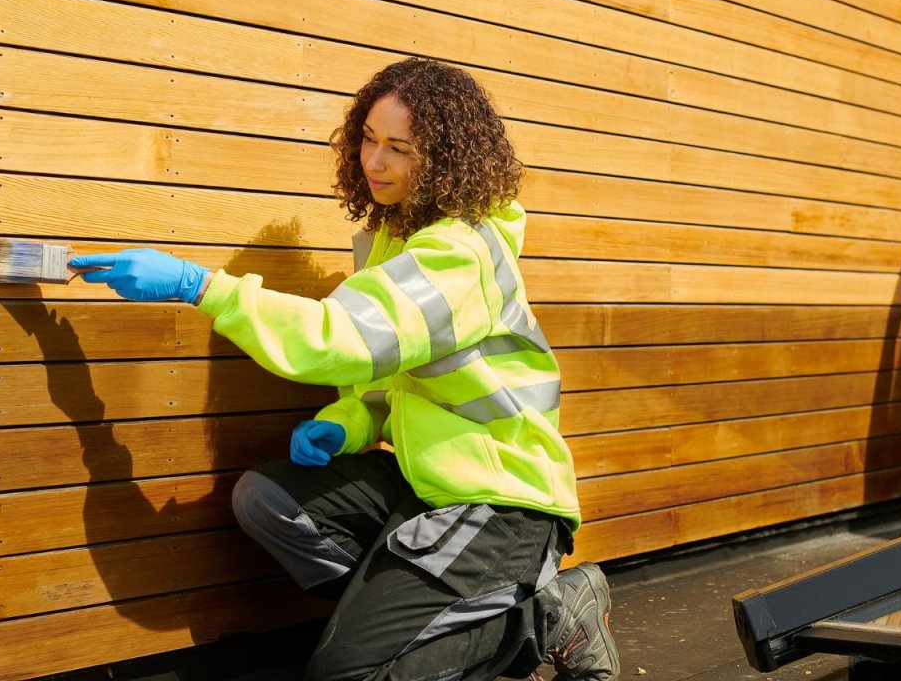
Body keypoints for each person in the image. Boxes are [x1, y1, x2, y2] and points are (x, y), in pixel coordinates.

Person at [70, 57, 620, 681]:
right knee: (270, 499)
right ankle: (408, 623)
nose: (375, 162)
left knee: (344, 676)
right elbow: (398, 380)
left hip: (500, 506)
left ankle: (542, 616)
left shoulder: (458, 255)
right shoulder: (397, 237)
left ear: (445, 158)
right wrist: (351, 422)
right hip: (427, 484)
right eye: (367, 139)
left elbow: (337, 338)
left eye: (399, 149)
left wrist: (200, 286)